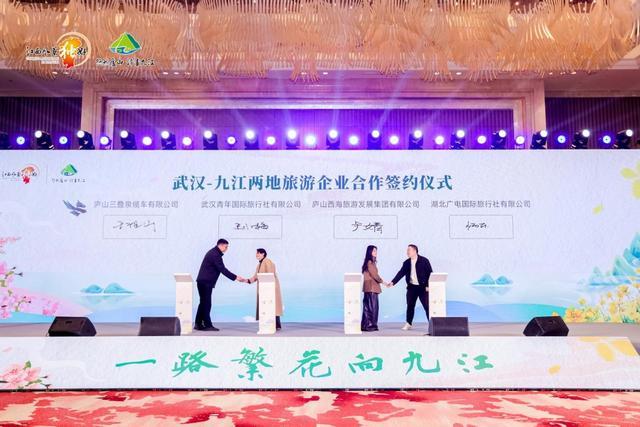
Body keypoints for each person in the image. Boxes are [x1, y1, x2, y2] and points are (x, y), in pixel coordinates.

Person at [195, 238, 246, 331]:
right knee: (206, 303)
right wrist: (236, 277)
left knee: (203, 303)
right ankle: (207, 325)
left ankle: (198, 324)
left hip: (202, 281)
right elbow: (223, 269)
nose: (227, 249)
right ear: (220, 245)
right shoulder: (215, 255)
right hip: (206, 282)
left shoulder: (213, 252)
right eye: (226, 247)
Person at [387, 244, 433, 331]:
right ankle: (408, 323)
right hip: (412, 287)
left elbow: (430, 273)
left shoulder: (424, 261)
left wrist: (428, 286)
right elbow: (400, 273)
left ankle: (431, 324)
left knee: (427, 306)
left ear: (415, 251)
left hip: (423, 287)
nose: (407, 252)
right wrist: (393, 282)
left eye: (409, 250)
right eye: (407, 250)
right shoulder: (406, 263)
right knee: (410, 306)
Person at [248, 248, 284, 330]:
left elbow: (270, 274)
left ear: (263, 254)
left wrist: (268, 286)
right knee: (268, 306)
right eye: (256, 253)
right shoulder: (259, 264)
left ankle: (276, 325)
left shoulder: (267, 261)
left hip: (270, 287)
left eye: (258, 253)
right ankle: (272, 325)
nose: (256, 255)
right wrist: (247, 281)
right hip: (265, 288)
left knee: (272, 305)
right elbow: (256, 276)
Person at [361, 245, 386, 332]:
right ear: (370, 252)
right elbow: (375, 275)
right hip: (371, 288)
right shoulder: (370, 262)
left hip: (369, 288)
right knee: (372, 308)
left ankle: (366, 325)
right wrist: (383, 282)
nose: (376, 252)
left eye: (376, 251)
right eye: (374, 251)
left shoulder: (369, 262)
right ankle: (370, 325)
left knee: (368, 307)